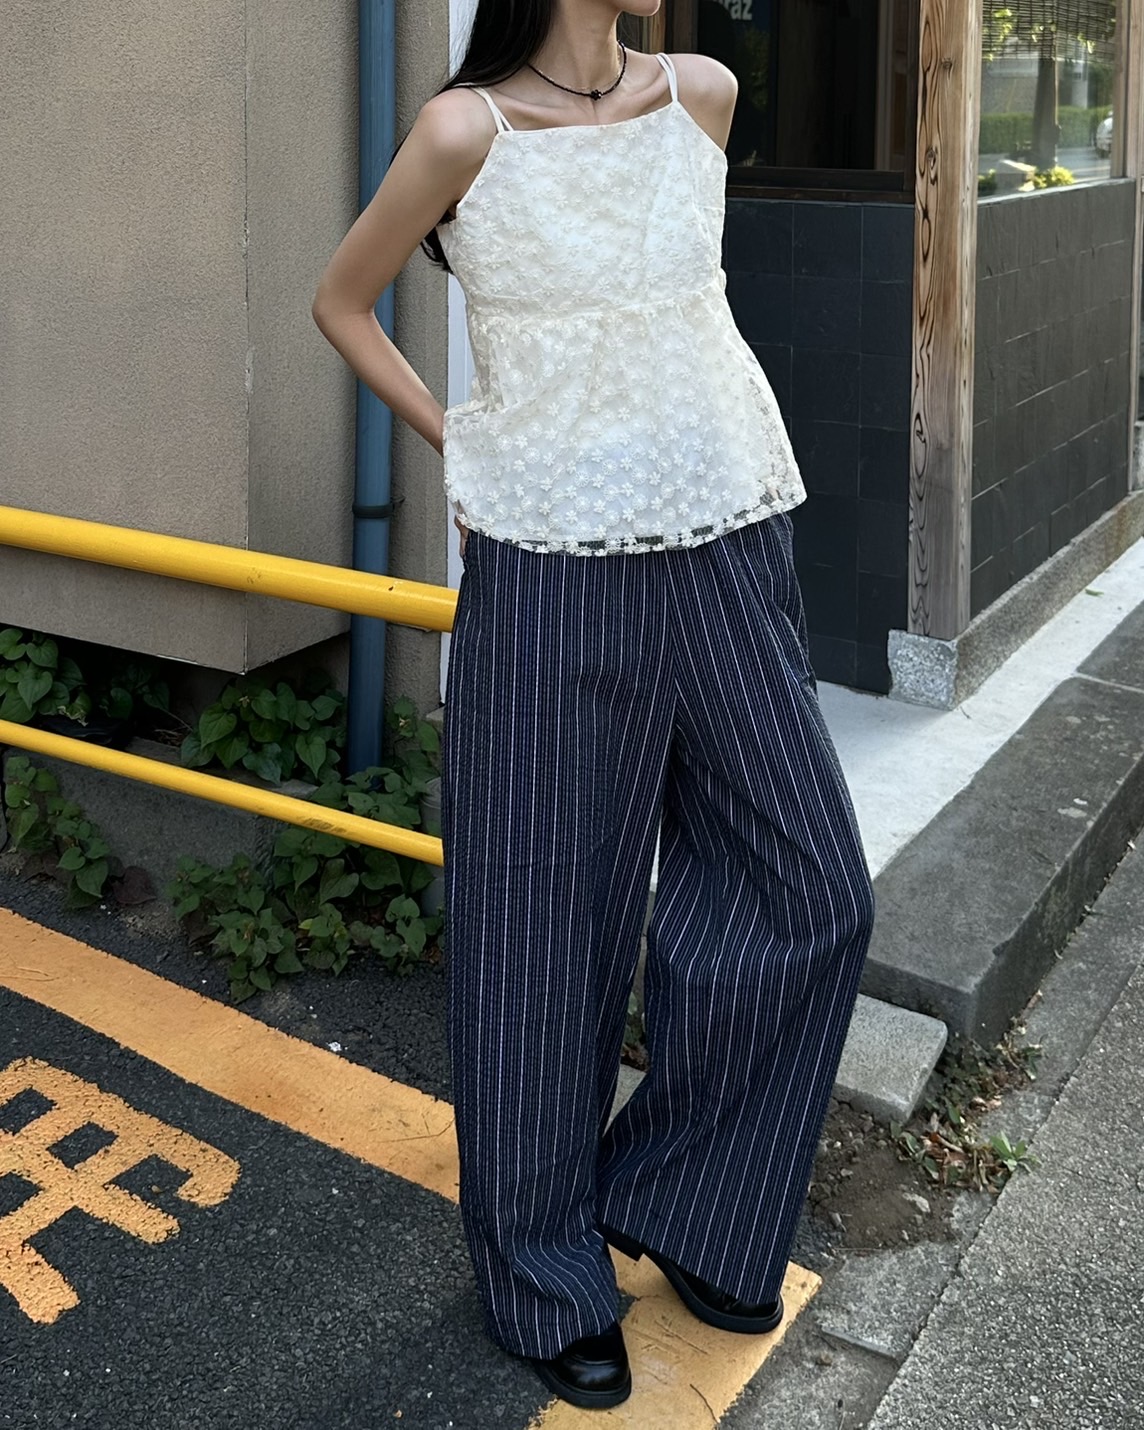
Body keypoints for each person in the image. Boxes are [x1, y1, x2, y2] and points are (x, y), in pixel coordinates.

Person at [312, 0, 876, 1411]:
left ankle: (689, 1199)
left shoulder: (705, 95)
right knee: (543, 931)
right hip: (551, 562)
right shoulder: (463, 129)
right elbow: (340, 302)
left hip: (728, 534)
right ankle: (544, 1273)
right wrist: (464, 441)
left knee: (814, 887)